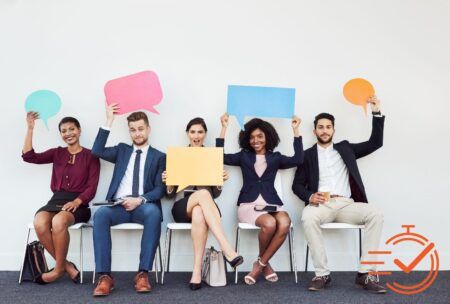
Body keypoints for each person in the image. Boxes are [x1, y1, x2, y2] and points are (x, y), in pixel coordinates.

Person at [292, 96, 386, 293]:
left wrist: (376, 112)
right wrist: (310, 196)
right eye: (320, 127)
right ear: (314, 131)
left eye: (328, 127)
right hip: (321, 205)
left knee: (375, 213)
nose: (324, 130)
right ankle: (322, 274)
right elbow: (297, 185)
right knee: (308, 217)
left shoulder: (346, 148)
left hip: (346, 204)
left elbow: (375, 142)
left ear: (333, 130)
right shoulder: (307, 155)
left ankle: (365, 274)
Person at [217, 113, 303, 285]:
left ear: (267, 137)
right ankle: (265, 265)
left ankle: (260, 263)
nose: (255, 140)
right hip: (249, 204)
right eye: (252, 137)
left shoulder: (275, 157)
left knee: (284, 223)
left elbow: (298, 159)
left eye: (259, 136)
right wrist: (224, 128)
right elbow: (219, 157)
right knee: (270, 224)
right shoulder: (243, 156)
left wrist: (296, 130)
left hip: (272, 203)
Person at [91, 104, 165, 297]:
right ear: (129, 132)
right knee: (100, 215)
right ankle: (105, 276)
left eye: (141, 129)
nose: (137, 134)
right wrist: (109, 120)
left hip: (143, 205)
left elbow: (160, 189)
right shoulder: (122, 150)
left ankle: (142, 273)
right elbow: (96, 151)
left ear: (148, 129)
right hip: (118, 205)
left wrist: (139, 199)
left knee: (154, 213)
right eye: (133, 130)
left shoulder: (159, 156)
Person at [162, 117, 243, 290]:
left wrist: (220, 182)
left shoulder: (211, 156)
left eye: (200, 132)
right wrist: (168, 183)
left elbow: (216, 194)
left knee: (200, 210)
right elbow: (169, 195)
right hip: (182, 207)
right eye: (192, 132)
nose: (196, 135)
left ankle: (196, 272)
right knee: (203, 194)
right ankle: (227, 249)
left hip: (205, 209)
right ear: (187, 134)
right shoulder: (178, 156)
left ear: (205, 134)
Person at [22, 112, 100, 284]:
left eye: (72, 129)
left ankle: (57, 271)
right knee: (39, 222)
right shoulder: (57, 153)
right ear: (61, 135)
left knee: (58, 222)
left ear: (79, 131)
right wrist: (30, 128)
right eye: (64, 131)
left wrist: (77, 201)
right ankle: (66, 266)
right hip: (56, 200)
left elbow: (92, 187)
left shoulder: (91, 156)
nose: (68, 133)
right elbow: (29, 157)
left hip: (79, 203)